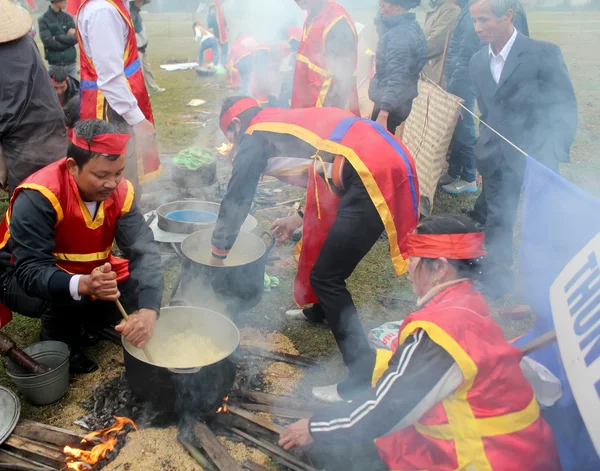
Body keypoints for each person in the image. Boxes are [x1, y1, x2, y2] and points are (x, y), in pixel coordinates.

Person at [278, 214, 561, 471]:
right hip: (517, 449)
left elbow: (387, 408)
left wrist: (316, 429)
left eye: (413, 257)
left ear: (439, 267)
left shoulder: (440, 332)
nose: (407, 266)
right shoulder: (468, 301)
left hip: (484, 458)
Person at [211, 97, 420, 401]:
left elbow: (236, 198)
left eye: (230, 139)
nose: (233, 147)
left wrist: (218, 255)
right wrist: (295, 219)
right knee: (327, 259)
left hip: (372, 170)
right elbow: (323, 169)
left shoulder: (256, 134)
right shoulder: (281, 120)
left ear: (237, 125)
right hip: (378, 156)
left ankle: (362, 374)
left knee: (327, 277)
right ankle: (322, 313)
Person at [0, 120, 164, 374]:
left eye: (118, 173)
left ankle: (87, 320)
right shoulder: (40, 195)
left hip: (84, 267)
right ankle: (64, 346)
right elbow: (30, 270)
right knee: (66, 297)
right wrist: (84, 284)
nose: (112, 183)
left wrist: (149, 310)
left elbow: (144, 251)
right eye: (101, 175)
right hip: (15, 275)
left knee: (135, 289)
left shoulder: (121, 191)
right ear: (72, 167)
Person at [468, 0, 577, 299]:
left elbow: (565, 105)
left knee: (539, 226)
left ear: (507, 16)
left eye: (484, 20)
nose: (478, 28)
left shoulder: (544, 54)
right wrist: (483, 148)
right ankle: (497, 284)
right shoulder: (477, 60)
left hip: (536, 158)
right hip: (495, 159)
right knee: (497, 220)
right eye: (474, 21)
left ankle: (544, 288)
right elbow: (485, 111)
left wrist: (553, 152)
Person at [440, 0, 529, 195]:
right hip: (466, 74)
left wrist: (456, 82)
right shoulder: (470, 8)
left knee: (468, 126)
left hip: (472, 77)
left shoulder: (494, 7)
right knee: (462, 126)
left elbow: (467, 50)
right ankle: (456, 170)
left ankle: (469, 176)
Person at [77, 0, 162, 191]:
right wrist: (137, 120)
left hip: (117, 102)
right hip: (110, 108)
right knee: (118, 178)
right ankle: (122, 217)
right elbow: (109, 78)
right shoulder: (103, 11)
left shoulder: (113, 5)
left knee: (124, 177)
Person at [0, 0, 67, 194]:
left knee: (28, 195)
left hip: (18, 132)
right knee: (57, 187)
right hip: (50, 120)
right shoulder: (26, 41)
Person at [369, 0, 428, 134]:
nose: (381, 11)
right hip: (392, 101)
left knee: (380, 146)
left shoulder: (401, 35)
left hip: (389, 105)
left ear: (397, 6)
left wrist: (384, 112)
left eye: (383, 6)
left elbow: (398, 75)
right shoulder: (404, 27)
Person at [291, 0, 359, 114]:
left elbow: (341, 83)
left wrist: (321, 118)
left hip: (327, 114)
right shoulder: (312, 14)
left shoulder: (338, 23)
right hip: (306, 110)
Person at [422, 0, 460, 86]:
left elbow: (436, 43)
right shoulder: (440, 8)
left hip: (435, 74)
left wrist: (410, 53)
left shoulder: (451, 9)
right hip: (428, 72)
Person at [129, 0, 165, 94]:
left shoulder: (137, 12)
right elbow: (132, 28)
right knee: (139, 71)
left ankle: (154, 87)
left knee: (147, 69)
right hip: (137, 47)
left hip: (142, 46)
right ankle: (142, 91)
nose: (141, 2)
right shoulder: (132, 13)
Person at [38, 0, 78, 81]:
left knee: (74, 91)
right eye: (64, 0)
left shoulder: (68, 17)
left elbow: (75, 38)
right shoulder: (43, 19)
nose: (66, 2)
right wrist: (67, 41)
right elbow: (48, 42)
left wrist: (57, 37)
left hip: (71, 65)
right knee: (57, 92)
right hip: (55, 66)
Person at [207, 0, 228, 72]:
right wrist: (210, 26)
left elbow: (222, 17)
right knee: (216, 46)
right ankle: (215, 62)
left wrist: (225, 25)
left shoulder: (220, 6)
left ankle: (223, 62)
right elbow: (210, 17)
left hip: (222, 30)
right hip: (216, 29)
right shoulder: (213, 6)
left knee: (224, 46)